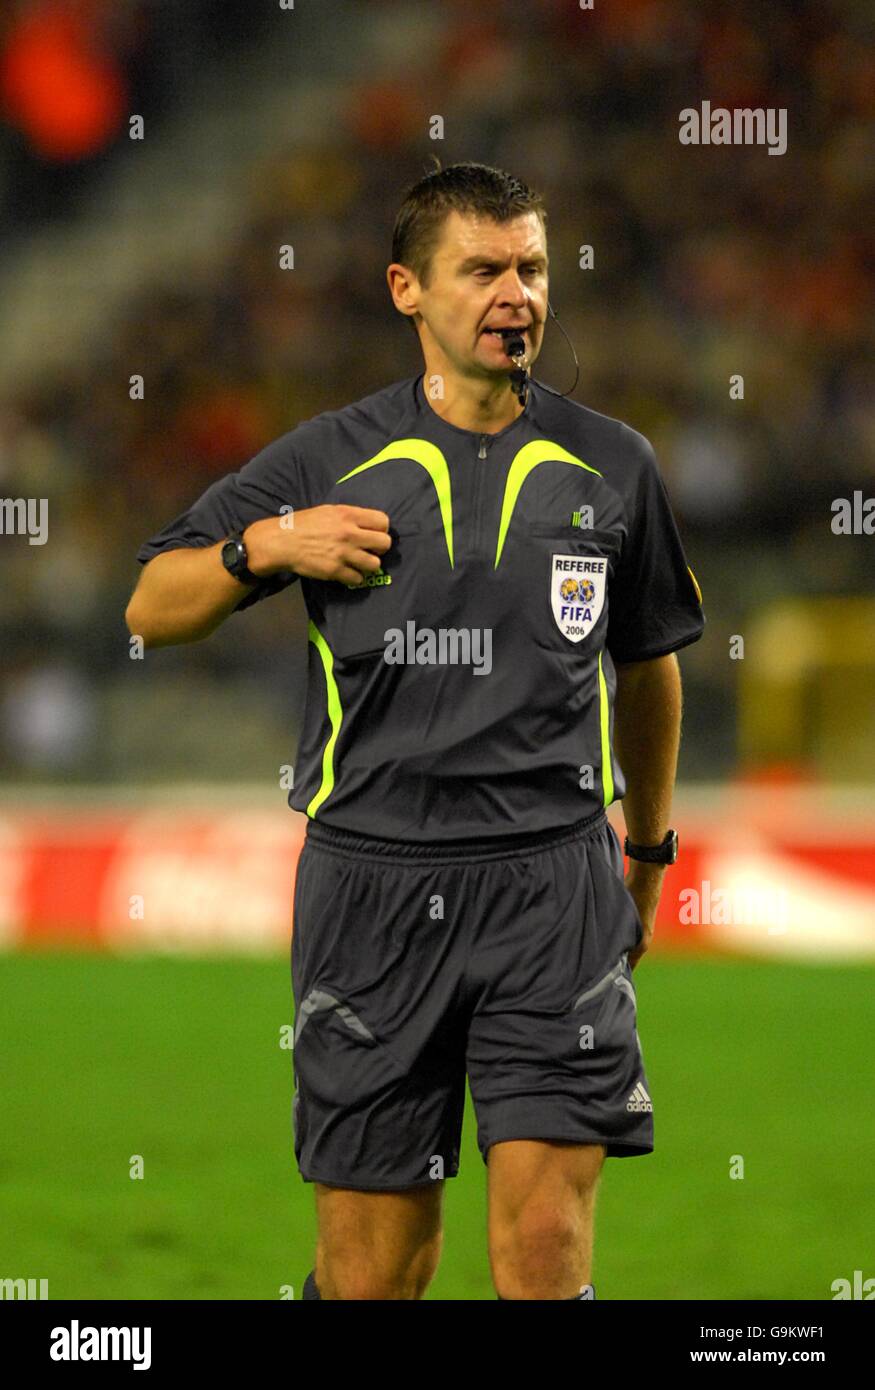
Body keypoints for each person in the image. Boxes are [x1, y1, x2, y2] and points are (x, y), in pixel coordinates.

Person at [126, 161, 705, 1300]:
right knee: (373, 1275)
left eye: (531, 268)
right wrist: (266, 547)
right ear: (407, 290)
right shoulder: (327, 459)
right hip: (371, 887)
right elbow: (153, 604)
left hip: (551, 884)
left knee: (544, 1257)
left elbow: (648, 668)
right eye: (482, 269)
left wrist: (646, 849)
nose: (516, 295)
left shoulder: (613, 465)